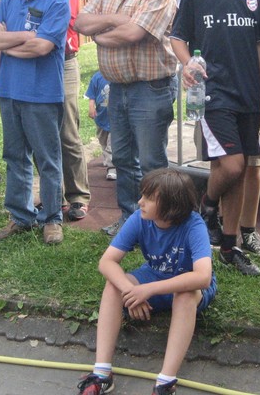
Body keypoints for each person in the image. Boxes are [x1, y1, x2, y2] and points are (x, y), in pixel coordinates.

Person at [170, 0, 260, 276]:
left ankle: (229, 247)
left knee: (239, 170)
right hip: (213, 92)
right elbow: (178, 37)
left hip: (249, 91)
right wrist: (188, 64)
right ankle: (207, 205)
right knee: (232, 164)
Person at [74, 0, 177, 238]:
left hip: (151, 88)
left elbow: (134, 34)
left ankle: (160, 224)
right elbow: (81, 22)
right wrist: (113, 20)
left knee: (151, 161)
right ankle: (130, 220)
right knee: (121, 158)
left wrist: (99, 34)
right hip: (116, 88)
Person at [76, 168, 216, 395]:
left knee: (185, 295)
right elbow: (106, 262)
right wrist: (130, 291)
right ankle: (102, 374)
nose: (140, 201)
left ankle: (165, 383)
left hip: (186, 286)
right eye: (142, 195)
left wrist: (148, 290)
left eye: (149, 198)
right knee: (113, 285)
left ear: (171, 205)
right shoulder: (139, 219)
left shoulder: (194, 225)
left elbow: (202, 277)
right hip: (153, 275)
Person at [0, 0, 70, 245]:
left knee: (47, 159)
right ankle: (21, 216)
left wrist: (10, 41)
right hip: (10, 90)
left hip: (42, 93)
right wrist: (25, 37)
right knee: (15, 156)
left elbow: (42, 47)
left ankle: (52, 218)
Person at [7, 0, 91, 221]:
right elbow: (3, 24)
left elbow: (60, 20)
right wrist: (25, 38)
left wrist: (15, 38)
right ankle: (52, 196)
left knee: (66, 130)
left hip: (62, 60)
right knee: (36, 133)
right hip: (25, 64)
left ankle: (77, 195)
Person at [85, 70, 115, 181]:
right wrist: (91, 107)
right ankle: (107, 158)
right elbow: (91, 95)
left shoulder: (116, 76)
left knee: (111, 144)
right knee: (103, 141)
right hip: (101, 116)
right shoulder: (97, 77)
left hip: (115, 118)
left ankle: (112, 168)